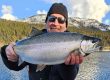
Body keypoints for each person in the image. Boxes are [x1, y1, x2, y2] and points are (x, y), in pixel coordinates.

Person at [1, 3, 84, 80]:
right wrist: (6, 51)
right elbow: (15, 66)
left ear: (66, 26)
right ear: (46, 22)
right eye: (52, 19)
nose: (55, 23)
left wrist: (68, 66)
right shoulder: (33, 40)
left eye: (61, 20)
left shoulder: (73, 43)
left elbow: (69, 78)